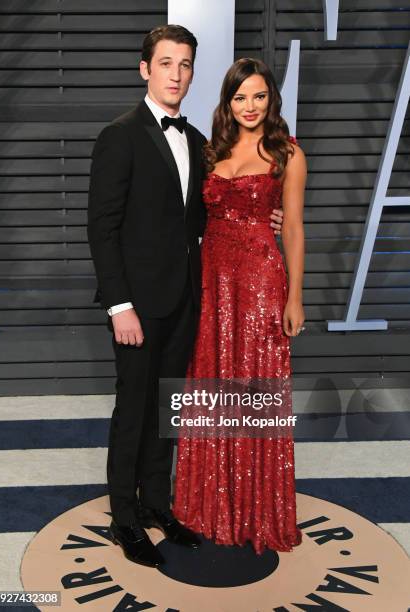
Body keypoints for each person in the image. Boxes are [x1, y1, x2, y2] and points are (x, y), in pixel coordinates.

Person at [88, 25, 285, 567]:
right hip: (136, 306)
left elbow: (216, 211)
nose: (177, 74)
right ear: (145, 68)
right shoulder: (119, 135)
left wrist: (267, 215)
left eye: (187, 65)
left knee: (168, 409)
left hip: (187, 300)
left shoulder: (200, 141)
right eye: (167, 63)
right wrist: (118, 304)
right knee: (133, 409)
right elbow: (102, 228)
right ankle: (124, 519)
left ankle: (157, 504)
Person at [173, 57, 307, 555]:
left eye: (259, 96)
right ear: (227, 102)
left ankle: (256, 510)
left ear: (271, 99)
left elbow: (291, 227)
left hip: (259, 287)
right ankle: (209, 507)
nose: (250, 106)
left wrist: (295, 295)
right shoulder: (212, 152)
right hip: (211, 287)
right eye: (239, 97)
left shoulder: (287, 153)